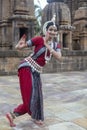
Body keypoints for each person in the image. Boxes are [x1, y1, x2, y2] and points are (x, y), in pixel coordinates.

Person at [6, 15, 62, 127]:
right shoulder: (38, 39)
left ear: (56, 33)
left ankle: (36, 117)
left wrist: (48, 47)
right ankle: (13, 115)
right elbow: (21, 46)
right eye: (50, 29)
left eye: (55, 31)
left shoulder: (56, 45)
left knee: (38, 95)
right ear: (46, 30)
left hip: (36, 71)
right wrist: (19, 45)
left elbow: (59, 57)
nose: (52, 32)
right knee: (30, 97)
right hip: (26, 68)